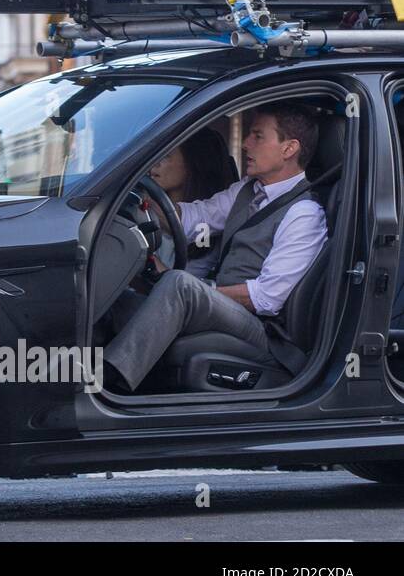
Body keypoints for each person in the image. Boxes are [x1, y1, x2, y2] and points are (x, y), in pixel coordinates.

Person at [105, 104, 328, 393]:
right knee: (120, 300)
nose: (246, 143)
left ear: (289, 149)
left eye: (258, 136)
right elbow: (191, 218)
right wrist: (133, 196)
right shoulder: (247, 190)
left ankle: (108, 385)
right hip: (228, 309)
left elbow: (266, 298)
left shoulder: (304, 212)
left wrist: (198, 292)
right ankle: (67, 369)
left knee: (179, 285)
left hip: (264, 332)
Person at [147, 128, 238, 277]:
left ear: (193, 163)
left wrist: (145, 259)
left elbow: (188, 289)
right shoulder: (143, 207)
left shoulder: (206, 227)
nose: (155, 163)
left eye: (166, 156)